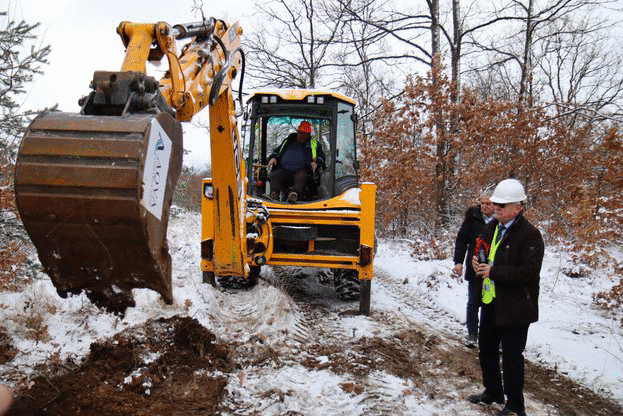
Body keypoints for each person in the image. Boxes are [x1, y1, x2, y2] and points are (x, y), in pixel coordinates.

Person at [468, 178, 544, 416]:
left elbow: (528, 271)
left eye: (502, 205)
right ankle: (493, 392)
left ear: (517, 207)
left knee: (511, 357)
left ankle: (515, 405)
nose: (496, 208)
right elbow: (482, 252)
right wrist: (475, 263)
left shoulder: (531, 235)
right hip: (491, 302)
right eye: (496, 204)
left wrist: (493, 271)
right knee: (486, 350)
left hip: (517, 307)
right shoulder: (491, 228)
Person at [453, 189, 494, 348]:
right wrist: (459, 262)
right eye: (483, 203)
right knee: (473, 302)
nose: (485, 206)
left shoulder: (499, 220)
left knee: (490, 303)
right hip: (474, 266)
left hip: (493, 268)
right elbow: (461, 240)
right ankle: (472, 334)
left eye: (488, 203)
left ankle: (488, 335)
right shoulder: (472, 218)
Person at [267, 121, 325, 203]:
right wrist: (273, 158)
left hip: (301, 170)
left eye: (305, 134)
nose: (302, 136)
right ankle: (274, 194)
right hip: (284, 170)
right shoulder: (288, 141)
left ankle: (293, 194)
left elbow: (321, 157)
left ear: (308, 135)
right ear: (297, 132)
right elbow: (276, 151)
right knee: (275, 175)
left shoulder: (314, 144)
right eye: (301, 133)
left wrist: (316, 162)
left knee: (302, 177)